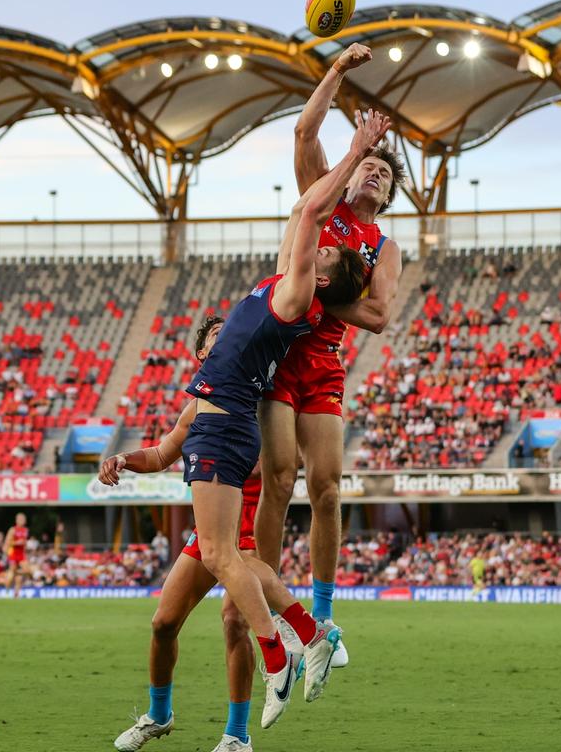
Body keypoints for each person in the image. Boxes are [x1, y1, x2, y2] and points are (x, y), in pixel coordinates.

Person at [169, 110, 384, 733]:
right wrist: (337, 74)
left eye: (321, 251)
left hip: (254, 413)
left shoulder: (298, 289)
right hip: (253, 414)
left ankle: (296, 638)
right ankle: (286, 657)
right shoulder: (290, 275)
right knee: (232, 565)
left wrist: (356, 147)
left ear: (318, 272)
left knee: (243, 554)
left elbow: (313, 219)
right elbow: (303, 156)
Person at [257, 44, 405, 669]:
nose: (374, 173)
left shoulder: (385, 245)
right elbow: (304, 129)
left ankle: (322, 617)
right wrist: (338, 71)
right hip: (279, 345)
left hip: (323, 359)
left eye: (385, 173)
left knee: (328, 488)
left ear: (391, 193)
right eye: (369, 164)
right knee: (280, 479)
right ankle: (262, 597)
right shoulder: (325, 201)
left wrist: (308, 279)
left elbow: (378, 315)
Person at [107, 317, 263, 751]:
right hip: (209, 534)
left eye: (234, 331)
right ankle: (159, 715)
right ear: (201, 355)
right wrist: (122, 458)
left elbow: (280, 465)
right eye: (218, 335)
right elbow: (160, 453)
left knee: (234, 623)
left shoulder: (260, 395)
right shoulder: (196, 407)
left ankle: (237, 737)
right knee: (163, 624)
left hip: (251, 529)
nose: (230, 337)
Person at [3, 513, 29, 596]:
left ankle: (16, 593)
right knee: (11, 574)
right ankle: (7, 591)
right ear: (17, 520)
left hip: (21, 555)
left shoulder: (26, 530)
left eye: (24, 519)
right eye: (21, 519)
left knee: (27, 570)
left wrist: (25, 547)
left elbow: (24, 543)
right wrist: (16, 543)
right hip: (13, 554)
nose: (23, 521)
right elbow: (7, 542)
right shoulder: (13, 530)